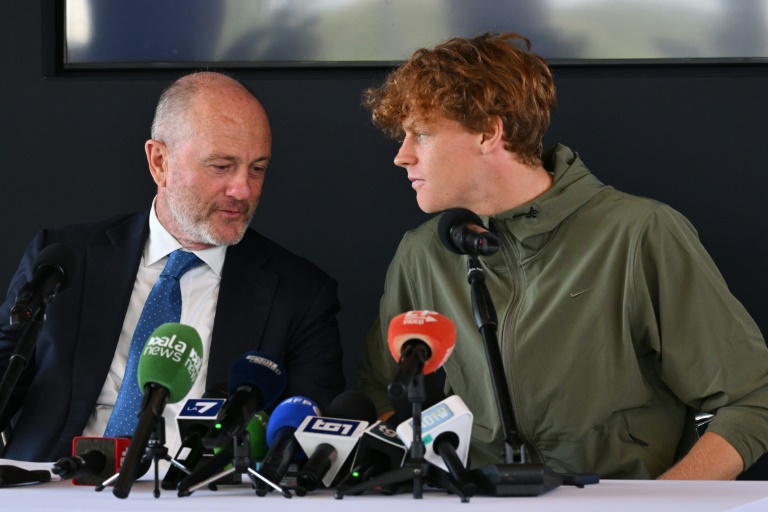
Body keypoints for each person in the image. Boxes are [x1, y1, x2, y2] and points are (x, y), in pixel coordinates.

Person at [357, 33, 768, 479]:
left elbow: (751, 400)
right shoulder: (423, 253)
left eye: (422, 133)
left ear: (488, 132)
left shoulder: (638, 234)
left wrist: (659, 505)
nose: (402, 156)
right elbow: (381, 391)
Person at [0, 72, 345, 462]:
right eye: (221, 166)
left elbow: (307, 436)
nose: (243, 190)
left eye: (257, 168)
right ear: (159, 162)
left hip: (204, 495)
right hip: (53, 488)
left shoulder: (300, 294)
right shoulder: (64, 260)